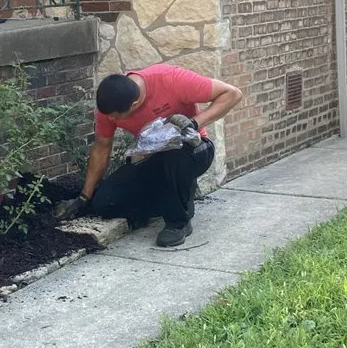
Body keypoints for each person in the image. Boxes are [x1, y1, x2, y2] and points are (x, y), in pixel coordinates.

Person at [56, 64, 242, 247]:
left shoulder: (171, 79)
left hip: (194, 150)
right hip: (153, 157)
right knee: (105, 202)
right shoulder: (110, 107)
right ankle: (173, 197)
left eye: (115, 116)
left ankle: (178, 223)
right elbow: (102, 148)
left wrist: (194, 123)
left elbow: (232, 94)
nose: (111, 120)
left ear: (134, 104)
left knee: (173, 156)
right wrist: (84, 197)